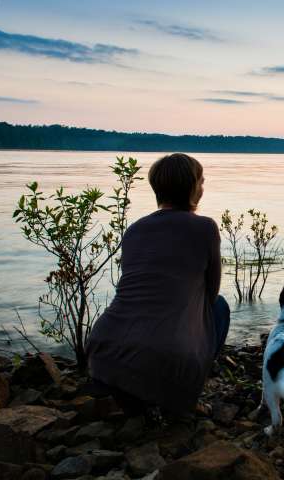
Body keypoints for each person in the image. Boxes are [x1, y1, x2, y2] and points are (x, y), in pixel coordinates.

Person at [86, 153, 229, 417]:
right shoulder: (206, 228)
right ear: (191, 187)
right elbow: (211, 292)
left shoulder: (135, 230)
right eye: (201, 181)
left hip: (103, 347)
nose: (203, 188)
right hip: (167, 355)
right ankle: (184, 393)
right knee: (219, 308)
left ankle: (131, 390)